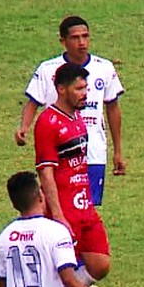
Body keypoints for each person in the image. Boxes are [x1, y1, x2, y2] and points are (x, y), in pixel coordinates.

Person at [34, 63, 113, 287]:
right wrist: (58, 215)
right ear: (61, 88)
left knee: (100, 263)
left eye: (86, 87)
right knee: (63, 273)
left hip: (84, 207)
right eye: (79, 88)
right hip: (64, 211)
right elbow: (46, 172)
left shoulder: (78, 118)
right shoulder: (48, 123)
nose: (85, 93)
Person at [16, 15, 126, 207]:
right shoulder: (47, 69)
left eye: (85, 36)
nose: (82, 42)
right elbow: (33, 102)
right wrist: (23, 127)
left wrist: (118, 151)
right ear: (63, 41)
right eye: (75, 38)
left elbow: (113, 108)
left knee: (88, 209)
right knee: (59, 206)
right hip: (59, 154)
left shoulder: (104, 68)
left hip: (93, 153)